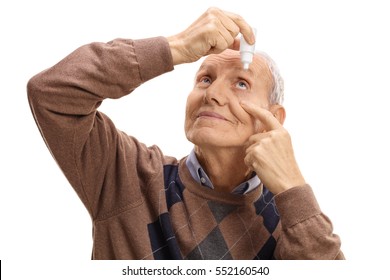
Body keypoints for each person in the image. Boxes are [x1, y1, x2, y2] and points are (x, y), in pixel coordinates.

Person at [27, 7, 344, 260]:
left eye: (241, 83)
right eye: (205, 79)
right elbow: (51, 92)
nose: (213, 94)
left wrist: (293, 188)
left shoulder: (292, 224)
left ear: (272, 119)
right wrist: (175, 47)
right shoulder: (127, 176)